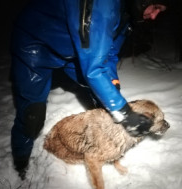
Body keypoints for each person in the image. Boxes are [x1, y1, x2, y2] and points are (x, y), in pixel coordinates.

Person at [10, 0, 170, 179]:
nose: (155, 15)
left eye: (160, 11)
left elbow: (108, 55)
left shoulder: (125, 15)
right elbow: (93, 69)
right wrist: (123, 112)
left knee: (101, 97)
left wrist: (113, 88)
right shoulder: (103, 5)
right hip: (35, 44)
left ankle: (97, 143)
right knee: (32, 115)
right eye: (155, 7)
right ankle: (20, 165)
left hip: (75, 51)